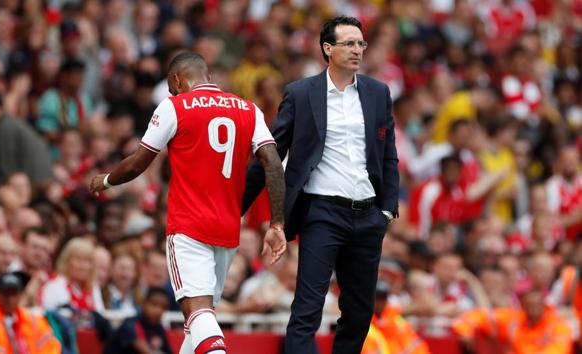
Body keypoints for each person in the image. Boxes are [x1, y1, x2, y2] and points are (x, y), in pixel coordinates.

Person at [90, 52, 286, 354]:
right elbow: (272, 161)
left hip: (189, 226)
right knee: (199, 319)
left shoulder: (175, 106)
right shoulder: (249, 108)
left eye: (171, 88)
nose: (171, 92)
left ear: (176, 80)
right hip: (228, 229)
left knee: (197, 311)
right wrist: (277, 222)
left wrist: (105, 180)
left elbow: (138, 163)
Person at [243, 15, 399, 354]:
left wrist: (387, 211)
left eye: (361, 43)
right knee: (307, 310)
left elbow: (388, 156)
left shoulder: (377, 93)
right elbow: (271, 152)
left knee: (358, 315)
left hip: (368, 214)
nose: (357, 50)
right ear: (327, 48)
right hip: (322, 212)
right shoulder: (300, 93)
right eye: (349, 43)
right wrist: (236, 206)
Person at [0, 88, 53, 187]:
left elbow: (5, 173)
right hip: (40, 182)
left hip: (35, 186)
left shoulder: (3, 130)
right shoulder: (10, 123)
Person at [453, 287, 573, 354]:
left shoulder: (557, 324)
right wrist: (465, 331)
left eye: (537, 304)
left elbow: (559, 350)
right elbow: (479, 316)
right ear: (522, 306)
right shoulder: (514, 319)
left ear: (544, 305)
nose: (533, 309)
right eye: (529, 305)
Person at [0, 271, 61, 354]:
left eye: (14, 293)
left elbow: (51, 347)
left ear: (21, 294)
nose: (10, 299)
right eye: (5, 294)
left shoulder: (32, 320)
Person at [361, 280, 430, 354]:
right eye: (377, 298)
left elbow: (416, 347)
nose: (379, 303)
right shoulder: (364, 325)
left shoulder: (398, 322)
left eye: (383, 298)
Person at [104, 286, 174, 354]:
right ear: (143, 303)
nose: (158, 311)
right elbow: (146, 351)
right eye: (154, 305)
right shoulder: (131, 324)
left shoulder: (159, 329)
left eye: (163, 307)